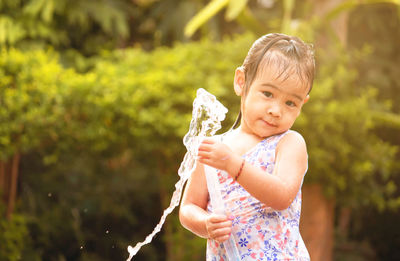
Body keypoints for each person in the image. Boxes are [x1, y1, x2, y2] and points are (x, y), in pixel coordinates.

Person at [179, 33, 315, 260]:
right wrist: (205, 224)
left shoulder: (289, 143)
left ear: (303, 103)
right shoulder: (215, 149)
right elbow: (188, 208)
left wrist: (233, 164)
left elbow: (281, 196)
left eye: (290, 102)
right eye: (268, 94)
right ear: (241, 81)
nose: (276, 110)